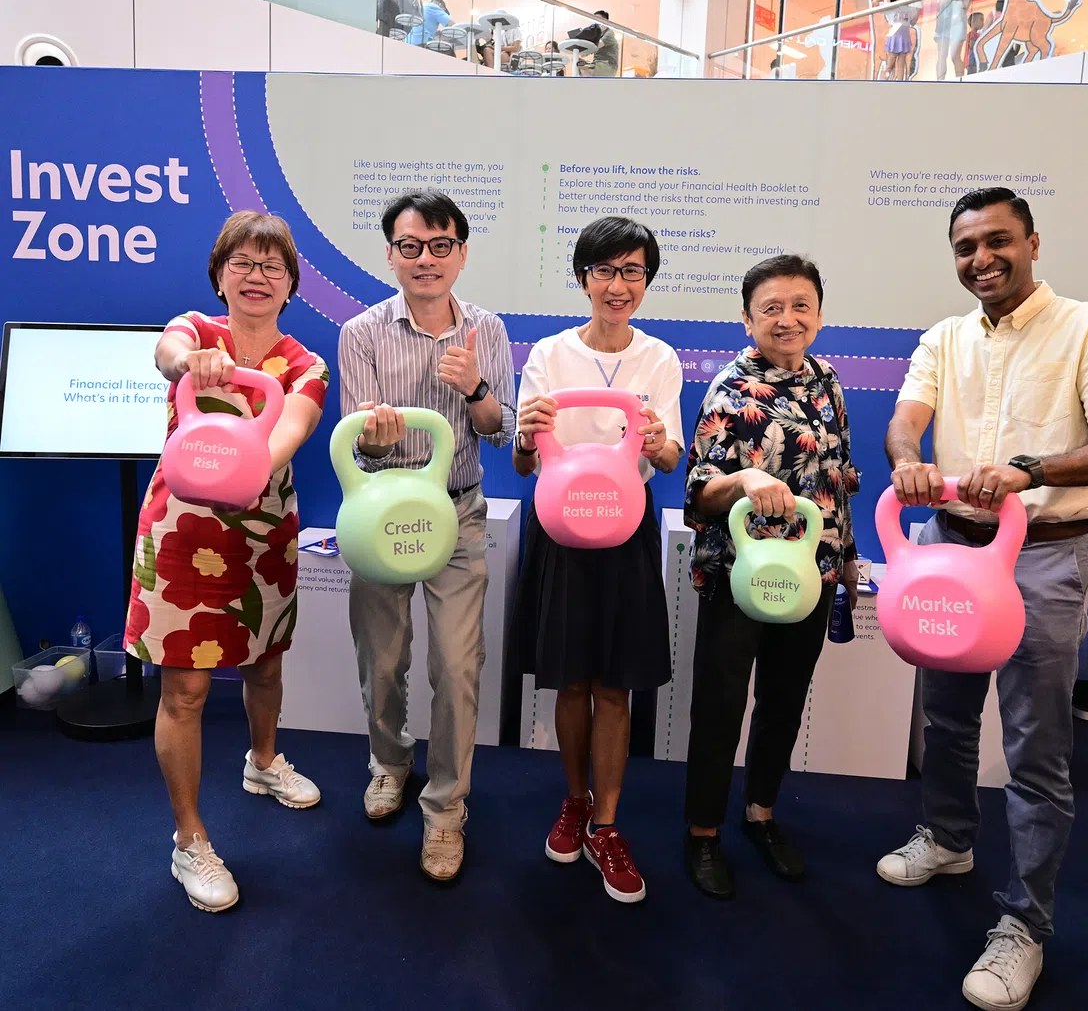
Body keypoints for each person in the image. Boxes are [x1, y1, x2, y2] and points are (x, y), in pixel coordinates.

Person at [877, 187, 1088, 1011]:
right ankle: (950, 838)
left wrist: (1031, 470)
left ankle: (1025, 923)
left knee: (1036, 745)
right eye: (966, 248)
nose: (982, 259)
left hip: (1046, 555)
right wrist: (909, 459)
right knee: (945, 716)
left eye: (998, 242)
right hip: (949, 549)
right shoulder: (944, 337)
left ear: (1033, 242)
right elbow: (903, 422)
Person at [125, 211, 329, 914]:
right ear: (219, 274)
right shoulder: (195, 332)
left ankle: (263, 762)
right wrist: (190, 362)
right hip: (183, 534)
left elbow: (292, 431)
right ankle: (189, 839)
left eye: (272, 266)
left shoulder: (305, 364)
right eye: (242, 262)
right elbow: (164, 352)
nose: (257, 276)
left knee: (265, 662)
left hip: (262, 533)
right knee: (185, 690)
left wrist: (245, 471)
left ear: (291, 284)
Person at [338, 189, 516, 883]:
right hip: (382, 518)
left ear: (461, 255)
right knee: (382, 658)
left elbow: (501, 431)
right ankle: (389, 763)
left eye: (440, 246)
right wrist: (379, 443)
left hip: (459, 514)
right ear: (390, 255)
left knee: (455, 665)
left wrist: (474, 388)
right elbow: (357, 449)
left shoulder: (486, 329)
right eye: (410, 247)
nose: (425, 260)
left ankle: (445, 810)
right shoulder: (362, 332)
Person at [511, 216, 683, 904]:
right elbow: (525, 462)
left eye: (633, 271)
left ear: (646, 281)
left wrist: (661, 438)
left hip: (625, 528)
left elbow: (668, 459)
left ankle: (607, 825)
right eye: (606, 271)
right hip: (561, 528)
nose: (619, 286)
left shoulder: (660, 359)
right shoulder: (550, 356)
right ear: (583, 278)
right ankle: (574, 800)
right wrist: (526, 437)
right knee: (570, 680)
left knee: (616, 684)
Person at [683, 255, 861, 899]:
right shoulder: (730, 389)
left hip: (810, 573)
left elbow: (841, 477)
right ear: (748, 318)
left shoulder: (828, 382)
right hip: (741, 576)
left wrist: (844, 556)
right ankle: (702, 832)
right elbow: (699, 493)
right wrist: (747, 480)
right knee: (722, 705)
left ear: (818, 312)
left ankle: (760, 814)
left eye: (800, 305)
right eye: (771, 309)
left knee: (784, 697)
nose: (787, 320)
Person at [936, 0, 973, 80]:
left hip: (947, 19)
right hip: (960, 19)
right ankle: (960, 80)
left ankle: (940, 80)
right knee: (955, 55)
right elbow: (967, 4)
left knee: (943, 55)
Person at [883, 0, 918, 81]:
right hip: (894, 37)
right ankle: (882, 82)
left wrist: (918, 10)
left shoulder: (909, 8)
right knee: (890, 63)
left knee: (901, 65)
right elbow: (874, 3)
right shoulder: (890, 6)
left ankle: (900, 84)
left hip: (904, 38)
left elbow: (913, 22)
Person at [588, 10, 620, 77]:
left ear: (605, 20)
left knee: (583, 66)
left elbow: (598, 45)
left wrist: (586, 46)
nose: (595, 22)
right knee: (579, 64)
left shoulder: (609, 33)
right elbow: (586, 53)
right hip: (597, 64)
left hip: (607, 65)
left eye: (597, 19)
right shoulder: (598, 35)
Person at [965, 11, 985, 75]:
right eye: (981, 20)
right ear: (973, 21)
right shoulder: (972, 34)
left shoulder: (977, 34)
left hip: (974, 61)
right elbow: (971, 45)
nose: (983, 23)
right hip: (972, 61)